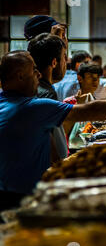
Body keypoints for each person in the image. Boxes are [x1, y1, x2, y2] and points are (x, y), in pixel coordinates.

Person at [0, 51, 106, 201]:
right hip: (22, 197)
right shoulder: (33, 108)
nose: (38, 74)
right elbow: (90, 110)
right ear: (20, 76)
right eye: (33, 70)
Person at [28, 33, 69, 162]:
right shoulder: (46, 94)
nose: (66, 62)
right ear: (54, 62)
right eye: (64, 57)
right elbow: (51, 150)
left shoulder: (36, 89)